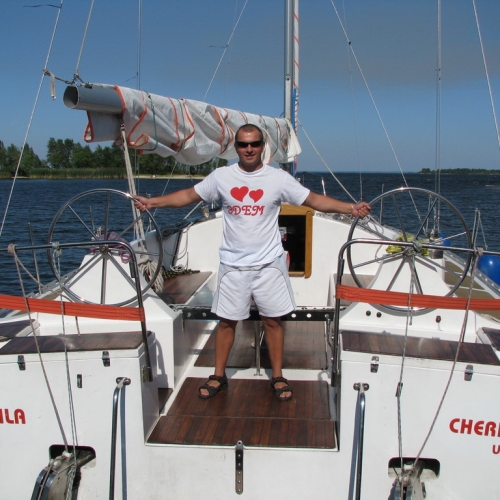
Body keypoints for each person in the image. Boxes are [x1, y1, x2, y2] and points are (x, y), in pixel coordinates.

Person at [134, 124, 371, 402]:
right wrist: (153, 202)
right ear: (236, 147)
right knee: (226, 323)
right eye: (243, 144)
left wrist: (350, 208)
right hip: (232, 265)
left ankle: (278, 375)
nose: (249, 149)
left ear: (262, 147)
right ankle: (218, 375)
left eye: (255, 144)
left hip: (269, 265)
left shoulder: (278, 179)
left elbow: (313, 200)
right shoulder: (221, 177)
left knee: (273, 322)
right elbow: (188, 196)